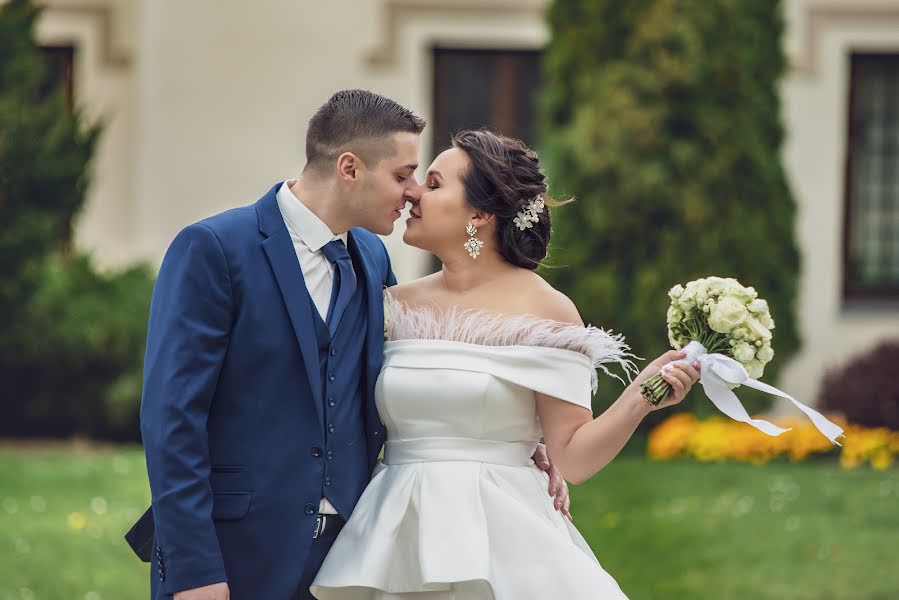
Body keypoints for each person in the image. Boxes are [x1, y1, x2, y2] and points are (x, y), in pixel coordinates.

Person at [126, 90, 570, 600]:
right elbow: (172, 420)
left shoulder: (371, 258)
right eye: (402, 175)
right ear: (350, 168)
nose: (411, 194)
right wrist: (195, 572)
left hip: (346, 563)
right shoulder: (215, 249)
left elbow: (399, 381)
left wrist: (513, 433)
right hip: (233, 558)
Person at [310, 130, 701, 599]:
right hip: (394, 530)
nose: (413, 193)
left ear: (479, 213)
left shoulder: (547, 311)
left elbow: (573, 457)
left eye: (434, 185)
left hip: (501, 533)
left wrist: (639, 397)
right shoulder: (392, 304)